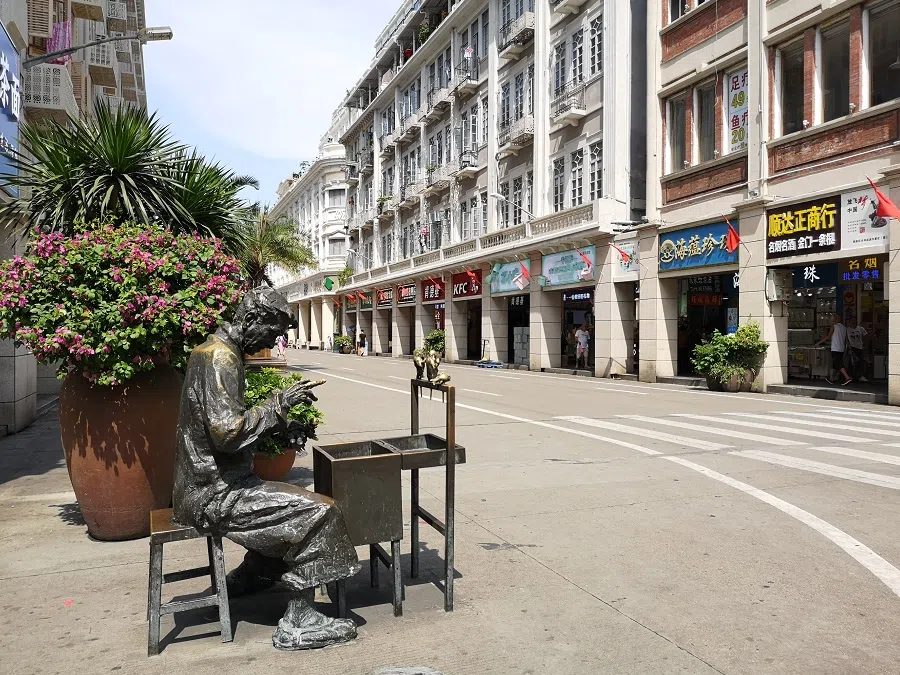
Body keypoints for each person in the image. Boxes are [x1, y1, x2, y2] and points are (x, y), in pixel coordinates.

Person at [173, 288, 360, 650]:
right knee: (322, 512)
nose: (274, 343)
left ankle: (256, 571)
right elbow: (227, 434)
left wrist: (276, 417)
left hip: (204, 485)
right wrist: (277, 405)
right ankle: (298, 621)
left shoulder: (208, 350)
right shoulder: (220, 359)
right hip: (215, 493)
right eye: (273, 333)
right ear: (253, 320)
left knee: (286, 503)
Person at [817, 313, 852, 386]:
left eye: (835, 318)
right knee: (836, 364)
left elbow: (828, 337)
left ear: (836, 319)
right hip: (841, 349)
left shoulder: (834, 326)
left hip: (835, 348)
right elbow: (846, 340)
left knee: (838, 364)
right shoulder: (844, 328)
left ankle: (847, 378)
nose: (834, 319)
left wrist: (818, 343)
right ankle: (831, 379)